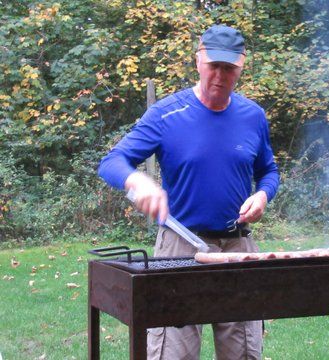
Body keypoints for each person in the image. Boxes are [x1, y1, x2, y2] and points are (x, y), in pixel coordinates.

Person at [98, 24, 280, 360]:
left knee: (243, 352)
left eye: (229, 69)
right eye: (214, 66)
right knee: (173, 354)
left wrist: (264, 194)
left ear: (240, 67)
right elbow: (112, 161)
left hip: (238, 246)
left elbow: (268, 171)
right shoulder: (167, 114)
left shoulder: (253, 116)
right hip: (180, 246)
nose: (220, 76)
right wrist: (137, 181)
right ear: (198, 61)